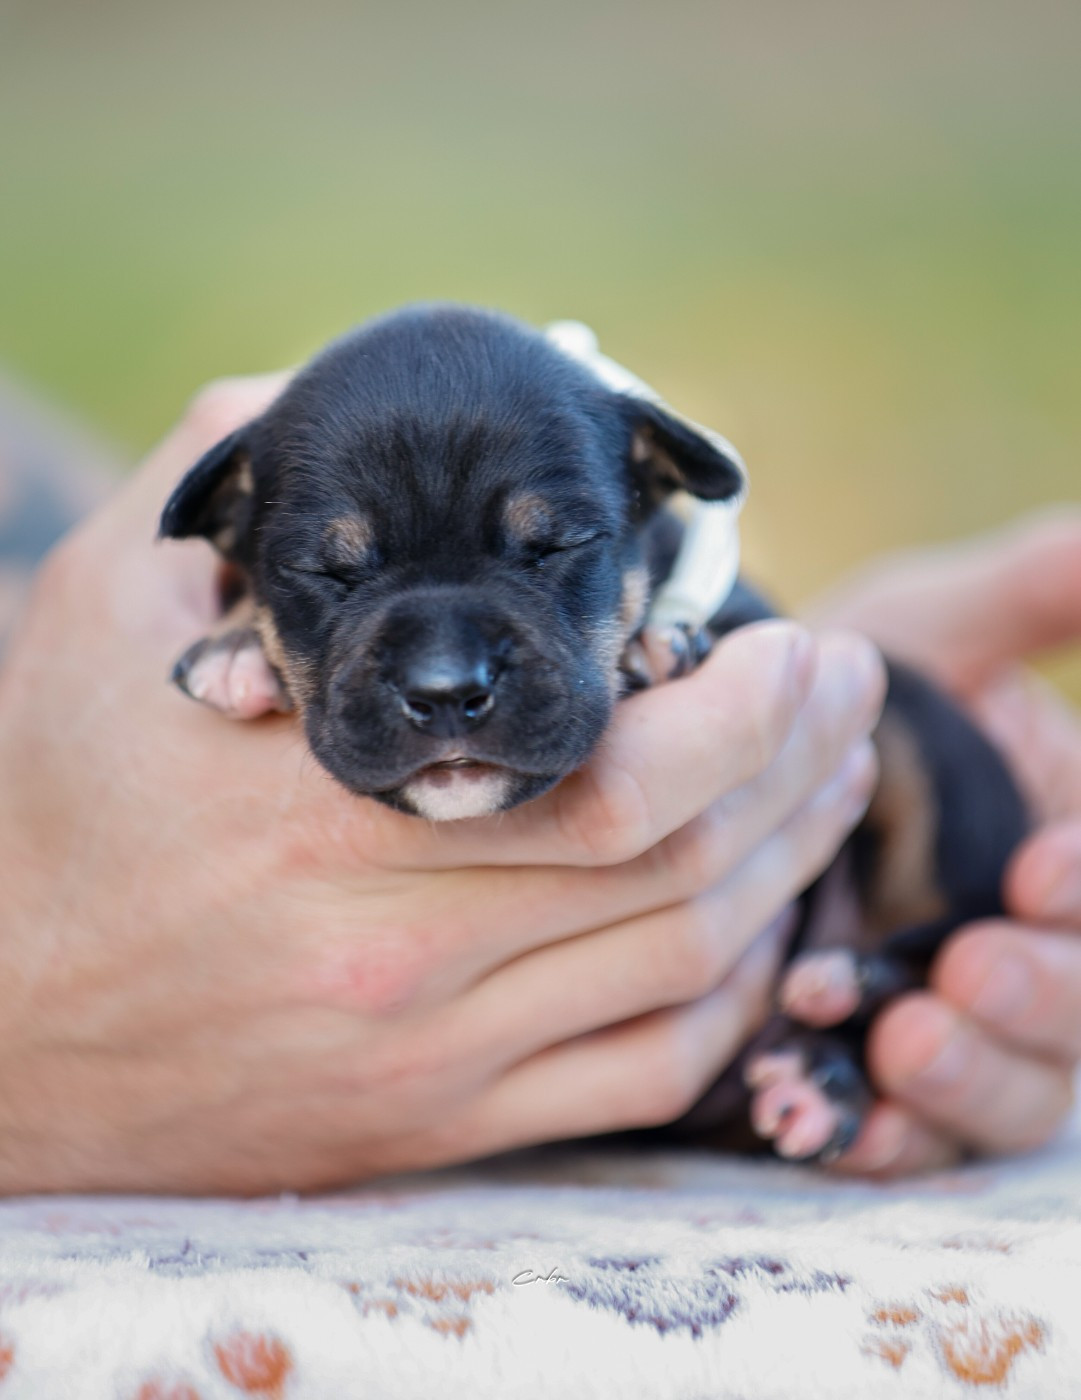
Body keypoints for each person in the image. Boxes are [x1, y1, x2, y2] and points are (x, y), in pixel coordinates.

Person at [0, 373, 1076, 1194]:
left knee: (934, 837)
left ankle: (858, 1014)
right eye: (335, 573)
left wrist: (791, 704)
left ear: (654, 488)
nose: (442, 673)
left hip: (756, 986)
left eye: (547, 548)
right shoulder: (257, 557)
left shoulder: (675, 605)